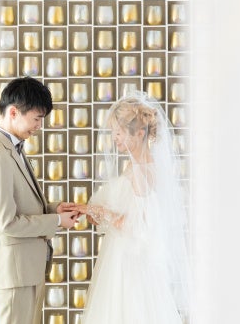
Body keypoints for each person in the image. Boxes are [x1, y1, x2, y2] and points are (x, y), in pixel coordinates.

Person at [74, 91, 191, 324]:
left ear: (139, 133)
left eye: (118, 132)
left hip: (131, 264)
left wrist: (96, 211)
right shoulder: (137, 165)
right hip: (122, 257)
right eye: (113, 132)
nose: (114, 138)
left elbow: (139, 226)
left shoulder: (142, 170)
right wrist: (96, 212)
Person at [0, 76, 80, 324]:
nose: (39, 126)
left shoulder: (12, 148)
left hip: (25, 272)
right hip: (14, 276)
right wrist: (57, 221)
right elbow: (6, 222)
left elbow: (21, 204)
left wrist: (53, 209)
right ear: (14, 112)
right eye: (37, 118)